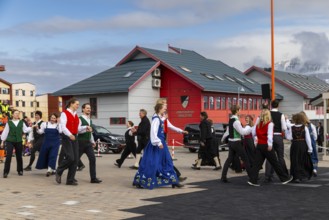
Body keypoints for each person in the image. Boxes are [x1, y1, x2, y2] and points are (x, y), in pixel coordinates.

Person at [132, 103, 182, 189]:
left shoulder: (161, 118)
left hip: (162, 144)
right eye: (164, 108)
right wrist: (158, 143)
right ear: (159, 109)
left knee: (167, 161)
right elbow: (153, 133)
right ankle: (140, 181)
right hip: (156, 144)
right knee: (151, 163)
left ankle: (174, 181)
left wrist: (181, 131)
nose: (165, 109)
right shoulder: (156, 119)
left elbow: (169, 125)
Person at [248, 109, 293, 186]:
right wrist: (270, 145)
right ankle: (284, 178)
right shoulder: (270, 124)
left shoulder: (258, 124)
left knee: (257, 164)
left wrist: (256, 141)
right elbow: (269, 135)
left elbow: (253, 133)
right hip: (266, 146)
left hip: (259, 145)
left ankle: (253, 180)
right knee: (275, 163)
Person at [55, 98, 91, 186]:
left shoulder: (76, 115)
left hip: (74, 137)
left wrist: (85, 127)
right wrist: (70, 134)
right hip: (67, 137)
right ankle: (59, 171)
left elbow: (78, 129)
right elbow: (63, 127)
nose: (78, 106)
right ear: (71, 104)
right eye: (77, 104)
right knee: (70, 157)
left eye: (78, 104)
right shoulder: (64, 113)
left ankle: (70, 180)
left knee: (75, 159)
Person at [220, 105, 252, 183]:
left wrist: (222, 138)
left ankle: (223, 177)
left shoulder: (231, 119)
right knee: (245, 159)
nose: (240, 110)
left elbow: (227, 131)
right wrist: (249, 127)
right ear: (237, 110)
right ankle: (252, 177)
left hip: (231, 142)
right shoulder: (236, 121)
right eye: (239, 109)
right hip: (236, 142)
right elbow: (242, 132)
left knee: (229, 159)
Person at [1, 109, 32, 178]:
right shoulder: (9, 123)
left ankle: (20, 170)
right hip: (10, 141)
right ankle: (5, 172)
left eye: (18, 113)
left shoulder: (21, 122)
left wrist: (31, 127)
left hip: (18, 141)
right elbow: (5, 132)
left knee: (19, 156)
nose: (17, 114)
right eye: (16, 113)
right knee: (8, 156)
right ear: (12, 114)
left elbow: (25, 130)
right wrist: (2, 141)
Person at [264, 100, 289, 183]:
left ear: (271, 105)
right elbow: (284, 128)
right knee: (280, 157)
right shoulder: (281, 115)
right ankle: (284, 174)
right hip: (278, 136)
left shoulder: (268, 114)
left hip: (269, 136)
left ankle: (268, 176)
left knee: (269, 157)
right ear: (278, 105)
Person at [77, 103, 102, 183]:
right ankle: (70, 177)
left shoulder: (90, 120)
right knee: (75, 160)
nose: (89, 110)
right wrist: (85, 127)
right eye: (87, 108)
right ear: (83, 109)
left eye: (90, 108)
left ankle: (93, 178)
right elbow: (77, 130)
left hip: (88, 143)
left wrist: (93, 141)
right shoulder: (79, 118)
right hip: (80, 142)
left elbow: (90, 132)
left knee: (93, 159)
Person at [285, 113, 313, 182]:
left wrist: (286, 130)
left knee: (295, 160)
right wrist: (310, 149)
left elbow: (289, 137)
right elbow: (308, 139)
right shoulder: (305, 127)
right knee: (302, 159)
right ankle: (302, 175)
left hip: (295, 145)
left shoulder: (292, 128)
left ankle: (296, 176)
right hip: (303, 145)